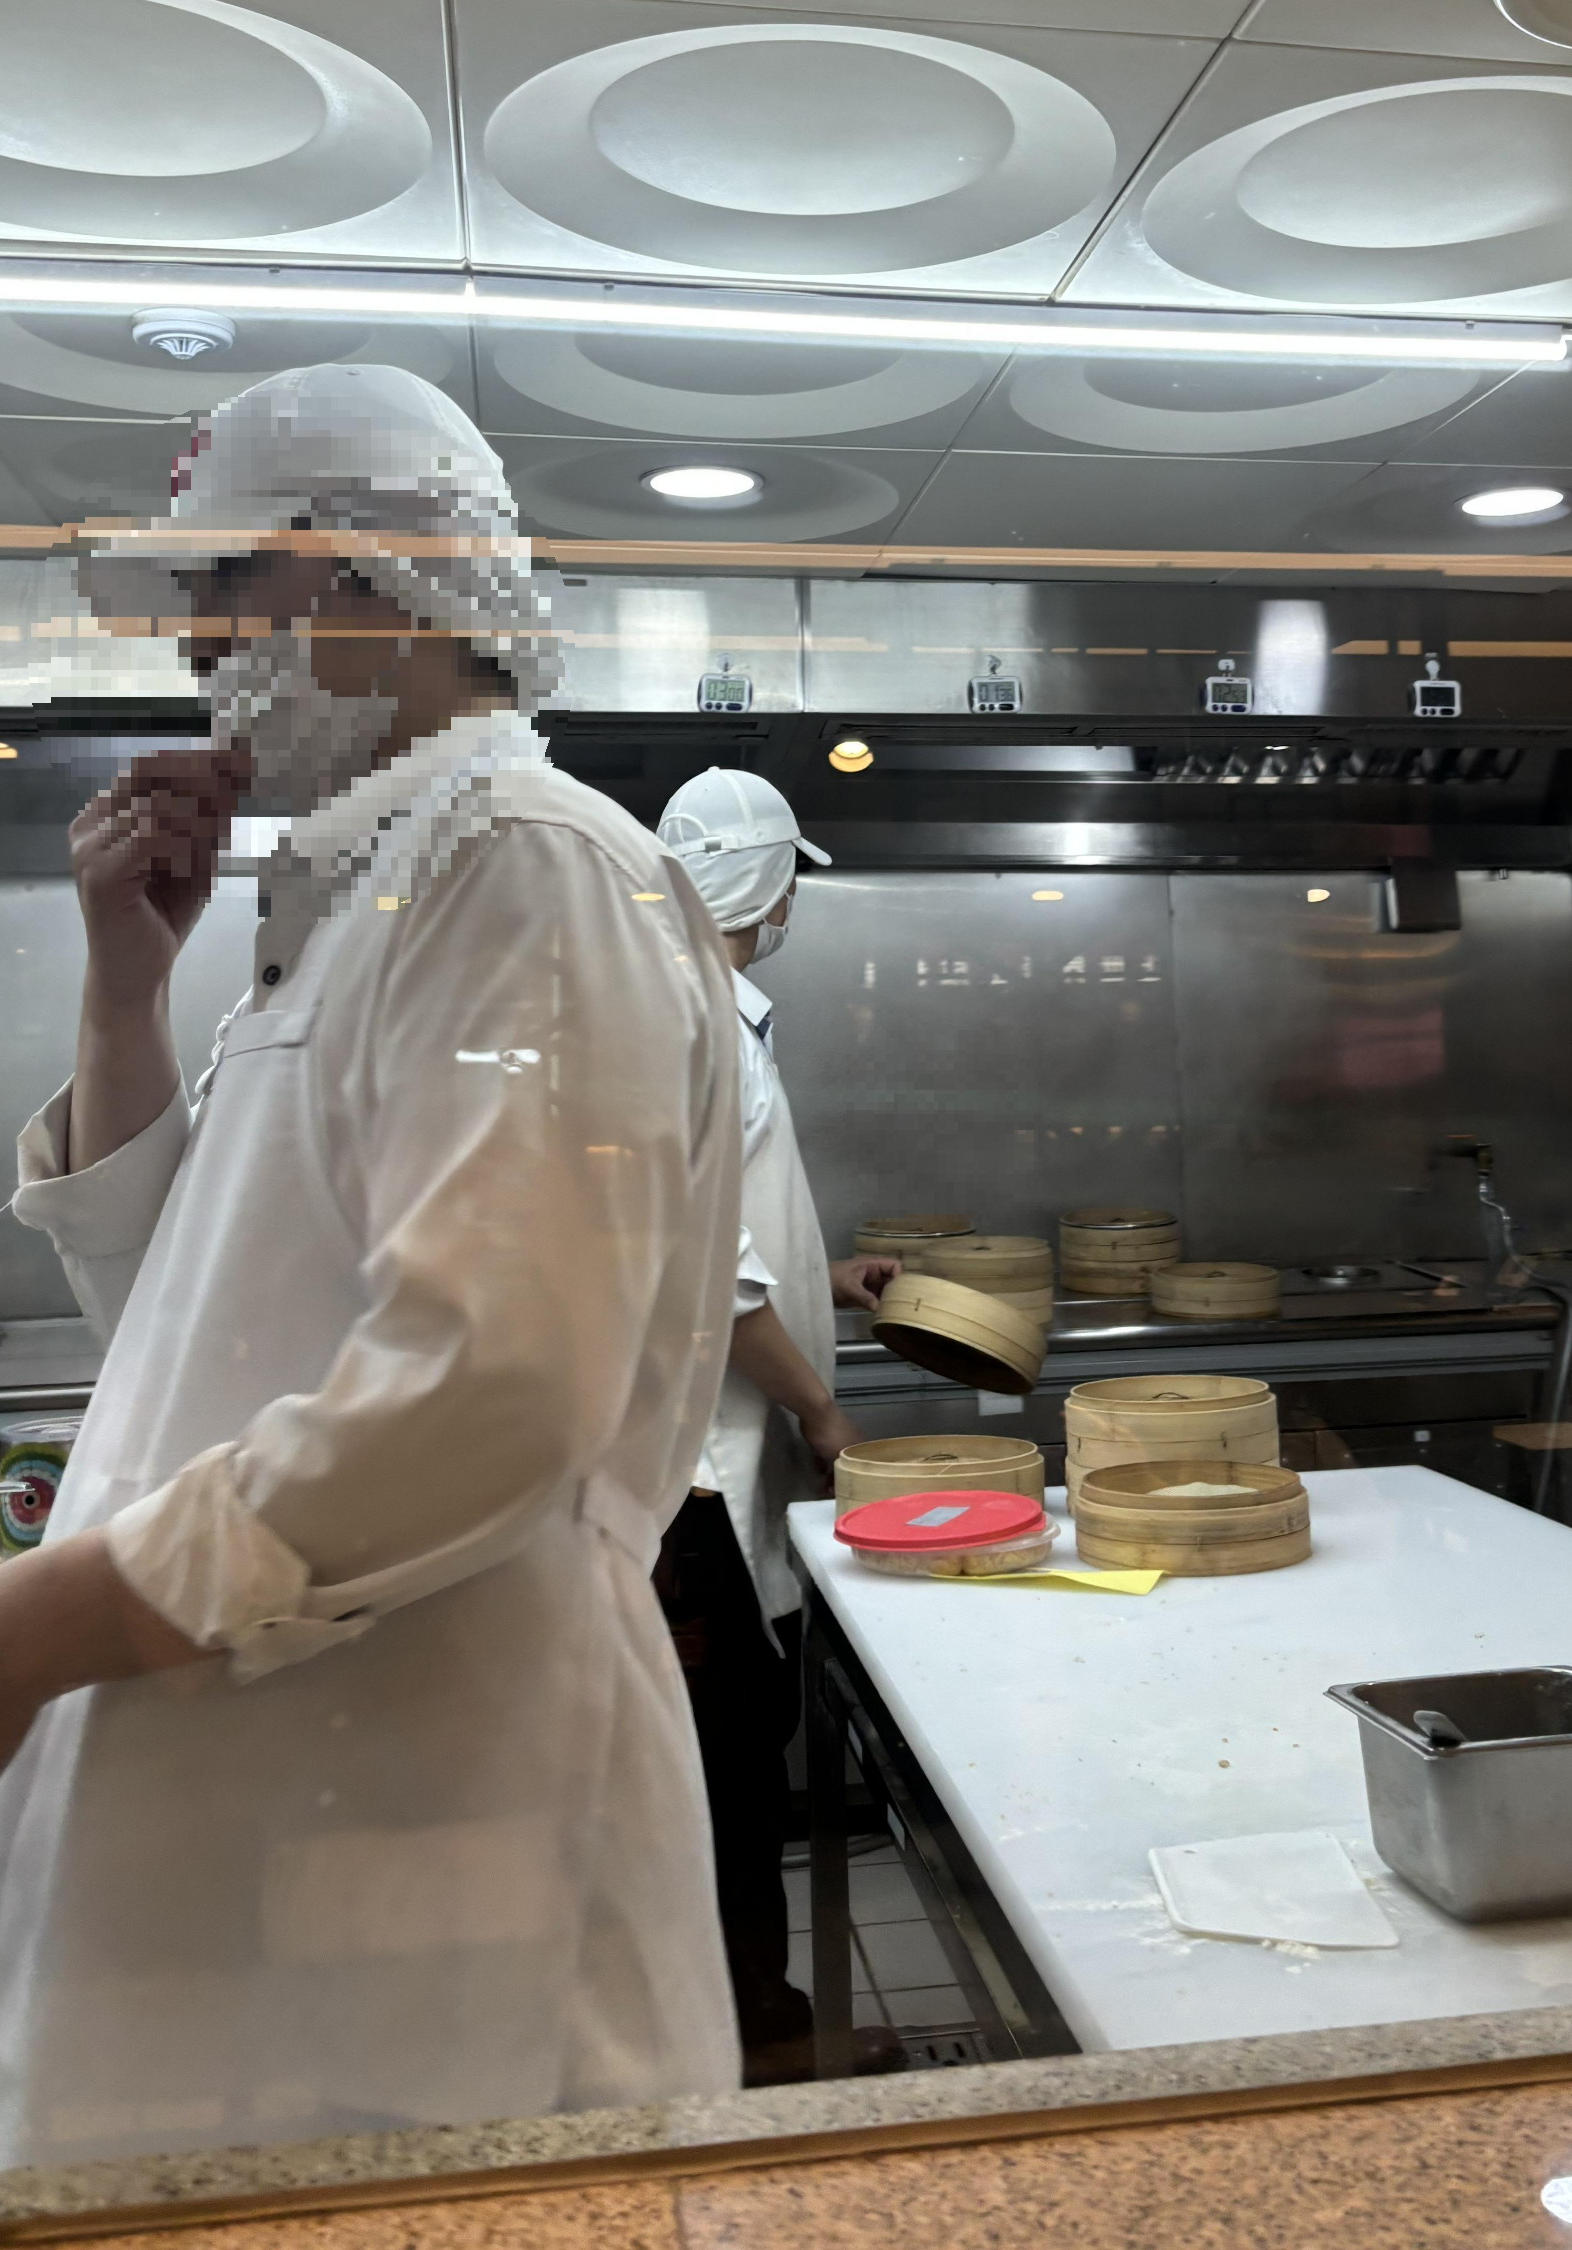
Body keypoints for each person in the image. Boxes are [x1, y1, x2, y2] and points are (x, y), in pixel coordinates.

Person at [0, 365, 746, 2178]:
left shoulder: (524, 866)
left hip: (428, 1846)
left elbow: (492, 1391)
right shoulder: (357, 895)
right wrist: (124, 987)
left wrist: (12, 1638)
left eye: (228, 587)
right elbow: (184, 1336)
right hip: (266, 1847)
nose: (196, 645)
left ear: (388, 577)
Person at [653, 768, 901, 2086]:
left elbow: (735, 1239)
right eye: (787, 876)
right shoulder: (691, 1018)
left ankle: (759, 2027)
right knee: (722, 1790)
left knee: (734, 1774)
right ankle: (754, 2057)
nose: (793, 899)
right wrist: (818, 1403)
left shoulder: (702, 1013)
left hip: (714, 1481)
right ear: (764, 886)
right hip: (701, 1489)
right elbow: (704, 1268)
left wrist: (827, 1278)